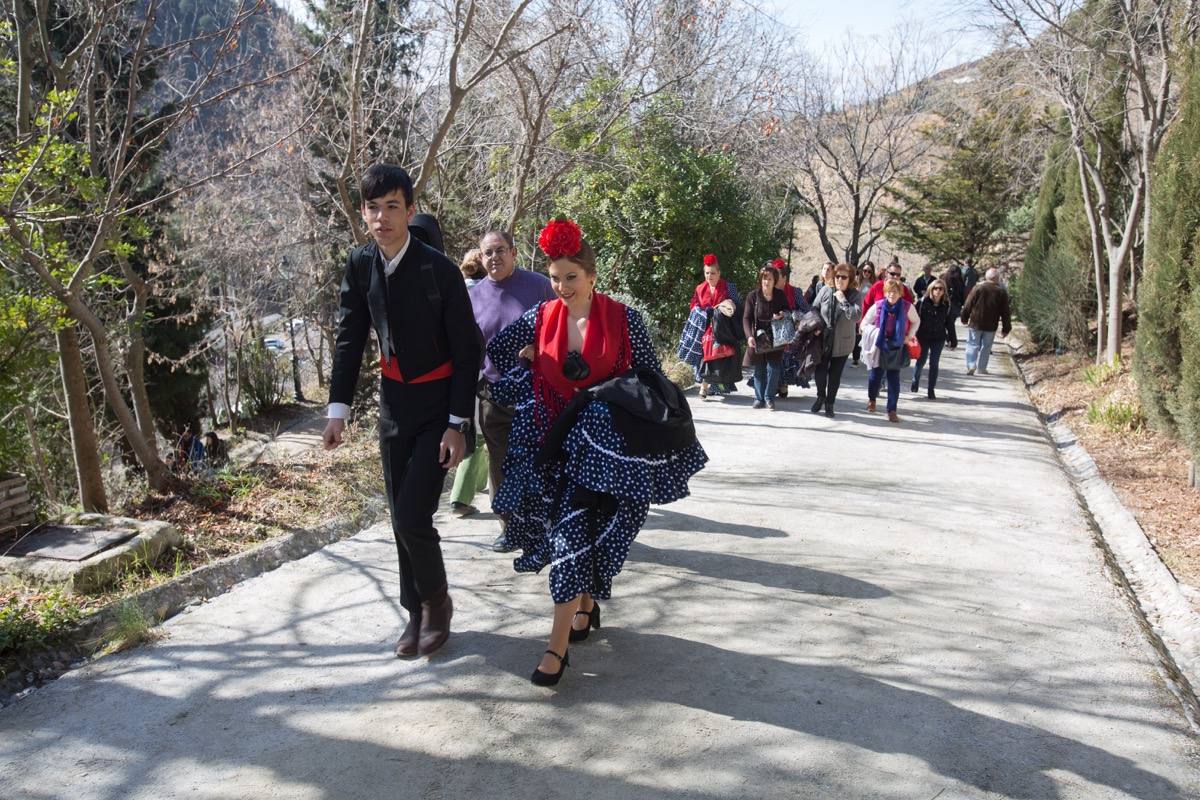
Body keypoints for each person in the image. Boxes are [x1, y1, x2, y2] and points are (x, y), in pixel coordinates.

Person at [488, 217, 707, 686]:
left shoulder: (624, 318)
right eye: (554, 277)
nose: (562, 286)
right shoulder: (541, 317)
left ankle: (556, 646)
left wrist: (614, 399)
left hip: (606, 457)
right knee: (570, 536)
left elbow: (650, 378)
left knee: (575, 538)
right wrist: (529, 359)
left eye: (571, 276)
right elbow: (500, 350)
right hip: (553, 449)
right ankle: (579, 614)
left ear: (591, 276)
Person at [323, 164, 483, 659]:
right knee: (399, 518)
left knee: (414, 514)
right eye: (373, 207)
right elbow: (350, 339)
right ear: (363, 214)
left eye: (393, 206)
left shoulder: (439, 270)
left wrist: (459, 424)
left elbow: (468, 350)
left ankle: (438, 603)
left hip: (439, 408)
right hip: (393, 407)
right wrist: (338, 409)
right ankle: (414, 612)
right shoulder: (360, 264)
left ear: (410, 211)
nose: (382, 217)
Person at [468, 230, 556, 549]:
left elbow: (563, 327)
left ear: (514, 252)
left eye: (500, 251)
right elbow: (468, 347)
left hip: (537, 391)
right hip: (493, 394)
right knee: (499, 462)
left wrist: (540, 348)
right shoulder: (474, 296)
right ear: (481, 258)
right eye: (488, 253)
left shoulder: (539, 286)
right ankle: (508, 527)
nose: (494, 257)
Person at [447, 248, 491, 517]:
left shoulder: (453, 290)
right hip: (479, 371)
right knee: (477, 432)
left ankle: (477, 484)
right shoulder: (485, 294)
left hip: (453, 373)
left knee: (478, 430)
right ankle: (460, 498)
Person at [860, 278, 920, 423]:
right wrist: (874, 333)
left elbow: (916, 321)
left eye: (895, 291)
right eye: (889, 291)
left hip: (897, 346)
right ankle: (872, 399)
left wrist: (909, 336)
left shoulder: (907, 307)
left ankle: (892, 410)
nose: (891, 294)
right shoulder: (878, 306)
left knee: (894, 379)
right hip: (880, 346)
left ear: (900, 293)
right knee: (875, 376)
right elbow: (863, 324)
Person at [684, 253, 741, 398]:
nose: (710, 276)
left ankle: (717, 386)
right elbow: (694, 305)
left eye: (713, 273)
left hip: (722, 329)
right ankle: (703, 387)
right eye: (707, 273)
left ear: (719, 273)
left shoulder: (729, 287)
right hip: (704, 330)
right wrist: (699, 310)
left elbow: (738, 305)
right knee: (705, 357)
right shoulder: (699, 288)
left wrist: (726, 307)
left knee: (719, 357)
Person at [811, 263, 862, 417]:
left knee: (835, 375)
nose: (839, 279)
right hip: (823, 338)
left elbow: (856, 316)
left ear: (850, 279)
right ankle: (821, 396)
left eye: (843, 277)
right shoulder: (826, 290)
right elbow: (814, 308)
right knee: (820, 371)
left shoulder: (855, 295)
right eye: (837, 276)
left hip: (843, 342)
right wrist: (817, 325)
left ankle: (830, 403)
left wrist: (843, 301)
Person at [743, 265, 790, 410]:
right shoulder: (753, 296)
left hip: (776, 337)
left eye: (769, 279)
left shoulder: (780, 295)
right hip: (759, 337)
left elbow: (788, 311)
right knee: (760, 369)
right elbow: (746, 318)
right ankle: (759, 398)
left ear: (774, 280)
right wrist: (749, 336)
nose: (766, 282)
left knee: (774, 368)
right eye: (764, 278)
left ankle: (769, 398)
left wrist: (782, 314)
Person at [961, 267, 1012, 375]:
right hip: (991, 324)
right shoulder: (1001, 292)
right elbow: (1005, 312)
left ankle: (971, 364)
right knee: (986, 347)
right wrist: (1006, 328)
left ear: (986, 277)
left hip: (976, 322)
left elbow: (968, 304)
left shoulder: (978, 288)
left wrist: (964, 318)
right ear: (997, 278)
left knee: (972, 344)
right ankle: (981, 368)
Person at [911, 278, 957, 399]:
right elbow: (914, 319)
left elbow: (949, 323)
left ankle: (931, 389)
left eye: (940, 289)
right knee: (921, 360)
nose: (938, 291)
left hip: (938, 337)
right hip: (923, 336)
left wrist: (953, 340)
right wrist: (911, 335)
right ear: (931, 289)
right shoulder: (921, 303)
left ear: (944, 291)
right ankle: (915, 380)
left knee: (934, 363)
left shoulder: (946, 305)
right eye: (935, 288)